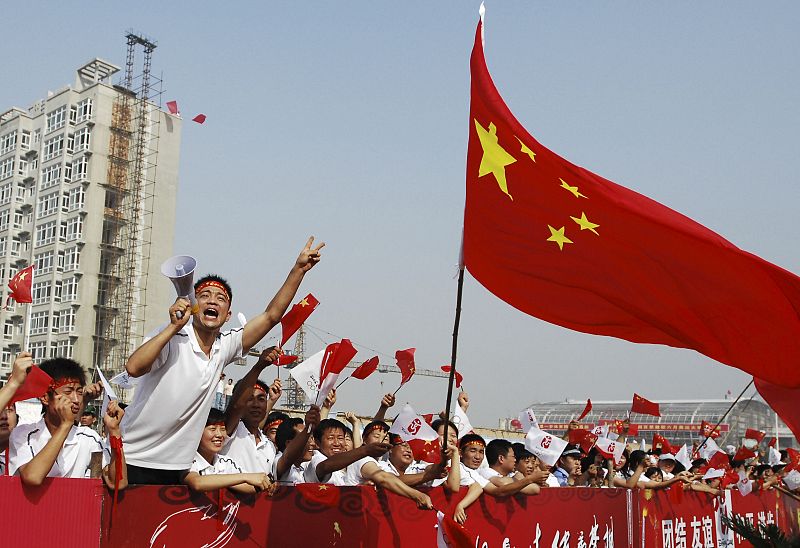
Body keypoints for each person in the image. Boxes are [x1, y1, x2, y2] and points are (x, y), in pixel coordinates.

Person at [120, 237, 323, 484]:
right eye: (204, 295)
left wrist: (298, 270)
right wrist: (173, 327)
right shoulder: (171, 336)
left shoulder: (225, 346)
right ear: (194, 305)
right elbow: (133, 367)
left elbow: (271, 316)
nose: (212, 300)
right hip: (133, 456)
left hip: (179, 465)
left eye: (220, 298)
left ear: (227, 315)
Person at [9, 358, 125, 490]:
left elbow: (118, 483)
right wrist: (65, 425)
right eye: (68, 392)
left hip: (74, 508)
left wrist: (115, 431)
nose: (76, 400)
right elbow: (32, 477)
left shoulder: (89, 438)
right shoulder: (24, 434)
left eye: (80, 392)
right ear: (45, 398)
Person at [181, 408, 271, 495]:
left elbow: (249, 487)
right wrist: (245, 477)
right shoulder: (187, 460)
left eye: (223, 429)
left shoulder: (225, 462)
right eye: (212, 429)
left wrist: (266, 484)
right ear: (197, 432)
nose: (219, 435)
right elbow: (197, 483)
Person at [221, 347, 281, 475]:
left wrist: (271, 401)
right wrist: (258, 367)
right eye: (249, 399)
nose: (256, 405)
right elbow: (236, 406)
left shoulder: (268, 446)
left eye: (261, 399)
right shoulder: (231, 431)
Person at [304, 418, 391, 486]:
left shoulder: (347, 467)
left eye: (340, 438)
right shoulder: (317, 458)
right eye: (330, 438)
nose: (337, 443)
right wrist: (365, 450)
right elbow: (325, 466)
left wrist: (360, 487)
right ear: (318, 443)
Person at [273, 406, 321, 485]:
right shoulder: (279, 462)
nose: (312, 444)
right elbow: (287, 457)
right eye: (305, 439)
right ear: (289, 443)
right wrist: (308, 429)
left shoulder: (305, 468)